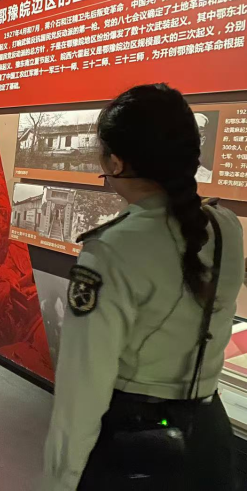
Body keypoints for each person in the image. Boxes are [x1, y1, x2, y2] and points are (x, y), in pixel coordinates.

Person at [43, 84, 244, 491]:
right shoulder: (226, 227)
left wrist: (59, 480)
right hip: (209, 440)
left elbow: (84, 388)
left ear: (116, 163)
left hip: (135, 446)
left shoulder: (111, 249)